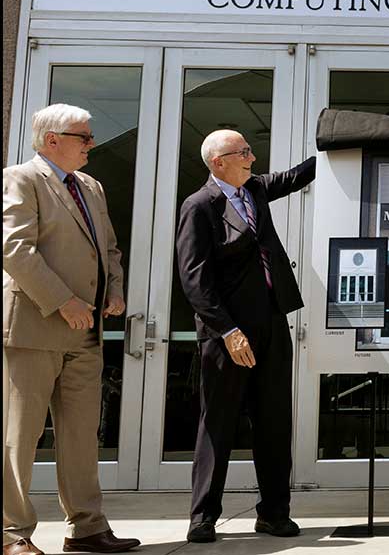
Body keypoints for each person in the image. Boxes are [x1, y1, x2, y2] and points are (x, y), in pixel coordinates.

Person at [3, 104, 141, 555]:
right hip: (33, 328)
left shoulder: (91, 187)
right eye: (83, 137)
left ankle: (86, 528)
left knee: (82, 437)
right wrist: (63, 300)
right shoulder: (21, 178)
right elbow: (14, 249)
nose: (91, 144)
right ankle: (11, 533)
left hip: (86, 333)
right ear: (51, 141)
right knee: (18, 437)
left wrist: (114, 290)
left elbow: (110, 249)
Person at [175, 130, 315, 543]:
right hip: (227, 334)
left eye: (250, 151)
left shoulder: (253, 188)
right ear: (218, 162)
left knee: (274, 421)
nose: (252, 158)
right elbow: (194, 278)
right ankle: (203, 517)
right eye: (244, 153)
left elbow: (297, 176)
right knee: (218, 423)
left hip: (271, 324)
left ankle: (274, 513)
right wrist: (227, 331)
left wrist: (342, 144)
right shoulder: (199, 206)